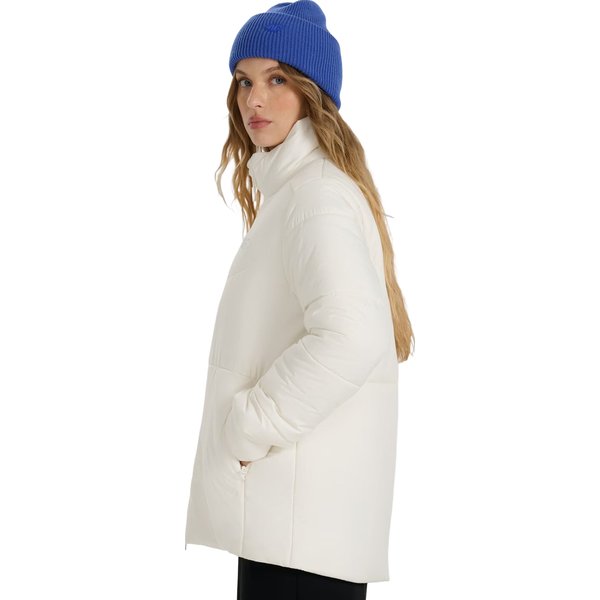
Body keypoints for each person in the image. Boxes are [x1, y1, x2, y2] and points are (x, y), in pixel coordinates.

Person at [184, 1, 414, 598]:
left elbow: (352, 336)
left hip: (298, 531)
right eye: (244, 82)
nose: (254, 100)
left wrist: (248, 426)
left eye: (277, 79)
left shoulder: (316, 198)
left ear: (313, 93)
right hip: (298, 526)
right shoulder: (303, 192)